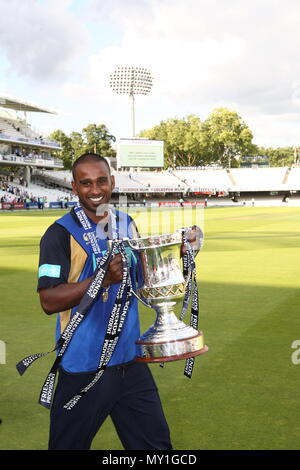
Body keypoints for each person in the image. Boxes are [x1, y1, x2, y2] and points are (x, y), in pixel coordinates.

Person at [37, 153, 172, 450]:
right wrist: (102, 281)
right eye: (86, 183)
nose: (95, 189)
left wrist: (181, 256)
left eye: (101, 180)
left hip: (130, 362)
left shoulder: (126, 222)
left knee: (157, 449)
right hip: (84, 367)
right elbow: (48, 300)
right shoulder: (59, 234)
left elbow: (142, 282)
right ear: (74, 187)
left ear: (112, 181)